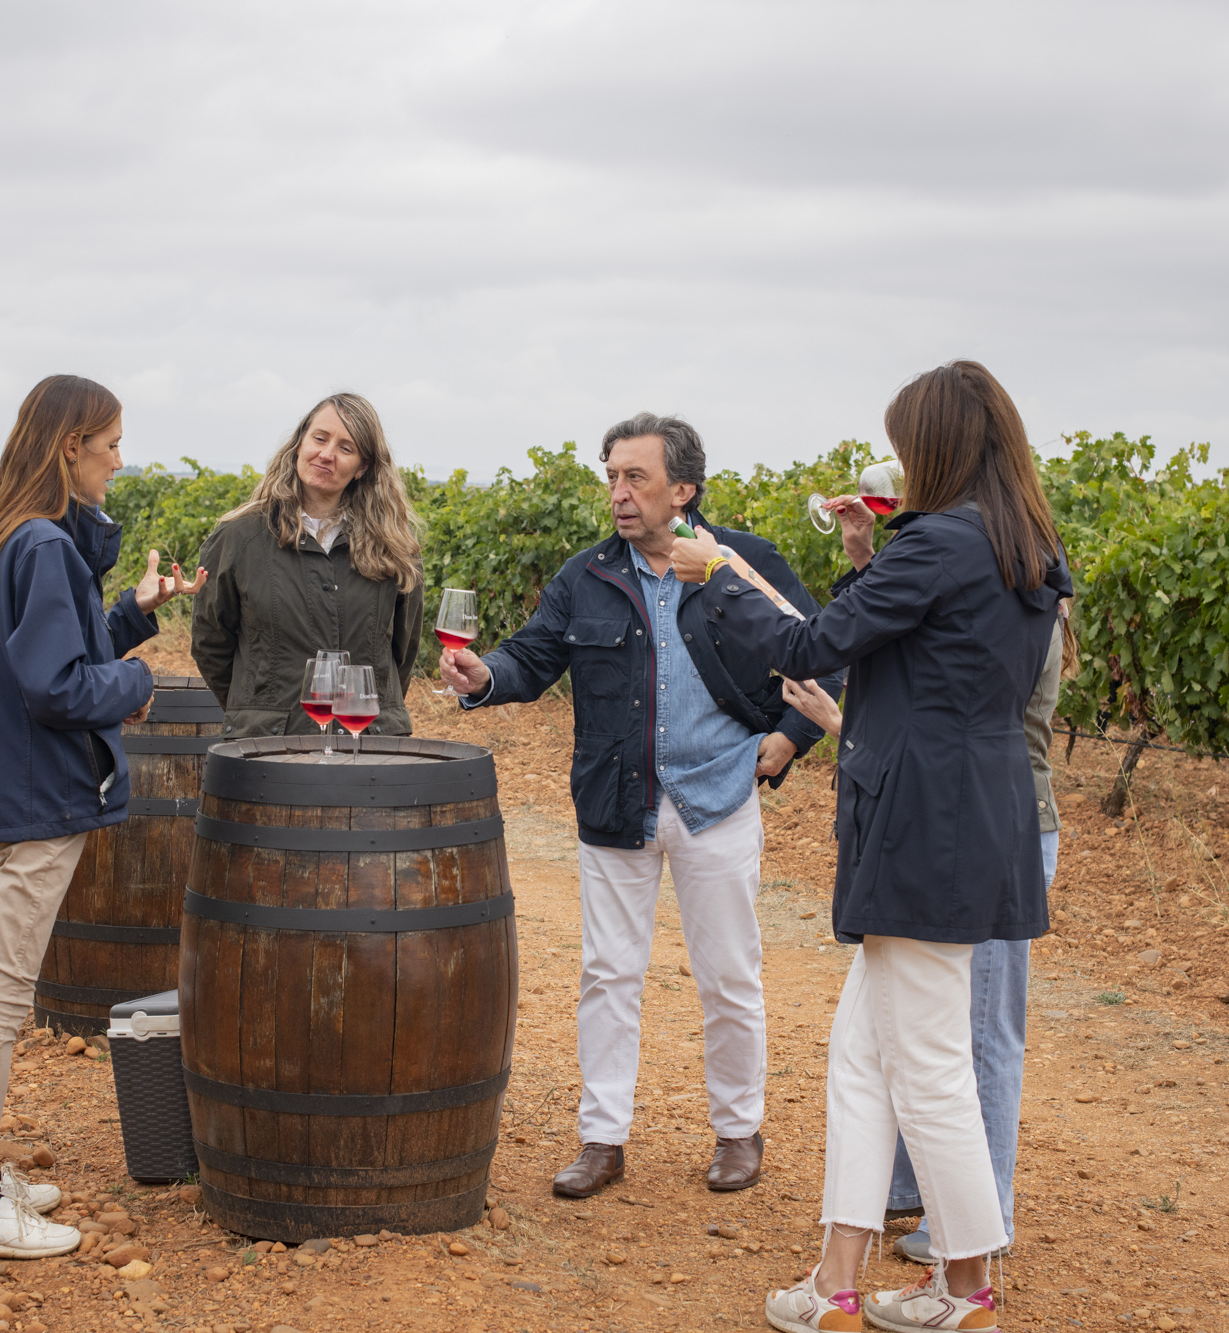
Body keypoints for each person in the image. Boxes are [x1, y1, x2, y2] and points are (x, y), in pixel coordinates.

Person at [670, 361, 1071, 1333]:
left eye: (904, 438)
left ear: (935, 446)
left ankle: (967, 1286)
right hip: (974, 818)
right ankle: (836, 1280)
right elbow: (893, 637)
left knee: (925, 1062)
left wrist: (719, 575)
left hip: (923, 829)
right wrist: (859, 555)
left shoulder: (936, 542)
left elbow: (810, 649)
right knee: (859, 1055)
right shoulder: (1016, 549)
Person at [438, 413, 842, 1199]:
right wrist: (484, 676)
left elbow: (821, 648)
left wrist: (791, 737)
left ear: (683, 489)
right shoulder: (588, 575)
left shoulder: (744, 563)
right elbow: (532, 654)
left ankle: (737, 1131)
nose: (619, 494)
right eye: (612, 477)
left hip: (718, 799)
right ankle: (602, 1138)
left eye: (637, 478)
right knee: (608, 974)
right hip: (615, 802)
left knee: (729, 975)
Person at [0, 374, 203, 1259]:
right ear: (71, 448)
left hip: (23, 788)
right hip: (41, 793)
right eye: (112, 444)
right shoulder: (45, 547)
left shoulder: (20, 536)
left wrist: (132, 613)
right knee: (4, 992)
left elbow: (59, 650)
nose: (120, 461)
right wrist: (137, 685)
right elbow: (60, 686)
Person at [783, 604, 1076, 1266]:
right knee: (899, 1035)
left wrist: (842, 720)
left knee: (977, 1036)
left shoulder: (1017, 605)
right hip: (961, 819)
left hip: (994, 828)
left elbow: (949, 712)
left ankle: (978, 1224)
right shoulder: (997, 582)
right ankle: (908, 1197)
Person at [192, 392, 424, 738]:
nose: (327, 454)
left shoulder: (395, 544)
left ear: (363, 467)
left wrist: (367, 717)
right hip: (269, 748)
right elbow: (211, 642)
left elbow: (402, 651)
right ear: (300, 442)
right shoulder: (239, 538)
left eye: (346, 448)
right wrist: (256, 710)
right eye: (320, 438)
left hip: (371, 745)